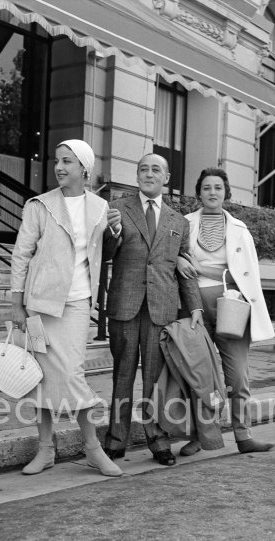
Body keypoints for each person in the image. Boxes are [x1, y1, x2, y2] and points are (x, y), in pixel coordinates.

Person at [11, 139, 123, 477]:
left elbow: (110, 252)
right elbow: (21, 254)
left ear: (84, 169)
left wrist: (116, 232)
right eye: (57, 161)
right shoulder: (39, 205)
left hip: (77, 303)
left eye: (67, 162)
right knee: (42, 378)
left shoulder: (101, 207)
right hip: (40, 302)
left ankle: (91, 448)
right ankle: (45, 449)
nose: (59, 167)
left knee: (73, 374)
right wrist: (17, 304)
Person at [103, 153, 204, 466]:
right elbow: (103, 252)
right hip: (125, 304)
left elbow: (183, 266)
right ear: (137, 176)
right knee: (122, 375)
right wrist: (113, 233)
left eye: (155, 169)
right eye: (143, 169)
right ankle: (115, 441)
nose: (149, 174)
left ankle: (158, 441)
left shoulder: (179, 221)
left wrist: (195, 307)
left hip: (161, 307)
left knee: (154, 379)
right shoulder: (116, 209)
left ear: (167, 177)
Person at [177, 167, 275, 456]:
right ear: (199, 192)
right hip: (192, 304)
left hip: (231, 305)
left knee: (237, 374)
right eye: (206, 187)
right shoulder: (184, 224)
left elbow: (244, 276)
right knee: (198, 373)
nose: (212, 192)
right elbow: (175, 259)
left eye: (218, 187)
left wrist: (198, 267)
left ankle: (243, 436)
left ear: (226, 192)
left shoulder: (239, 229)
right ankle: (200, 436)